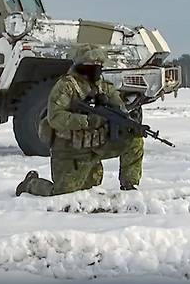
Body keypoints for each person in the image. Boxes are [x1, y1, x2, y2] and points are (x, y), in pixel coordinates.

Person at [15, 45, 144, 197]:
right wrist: (88, 121)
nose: (97, 69)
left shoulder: (104, 87)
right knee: (62, 192)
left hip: (97, 144)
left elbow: (119, 111)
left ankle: (129, 186)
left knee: (134, 140)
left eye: (99, 65)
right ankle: (30, 184)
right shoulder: (66, 86)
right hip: (70, 148)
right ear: (81, 65)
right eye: (92, 65)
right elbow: (55, 117)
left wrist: (131, 125)